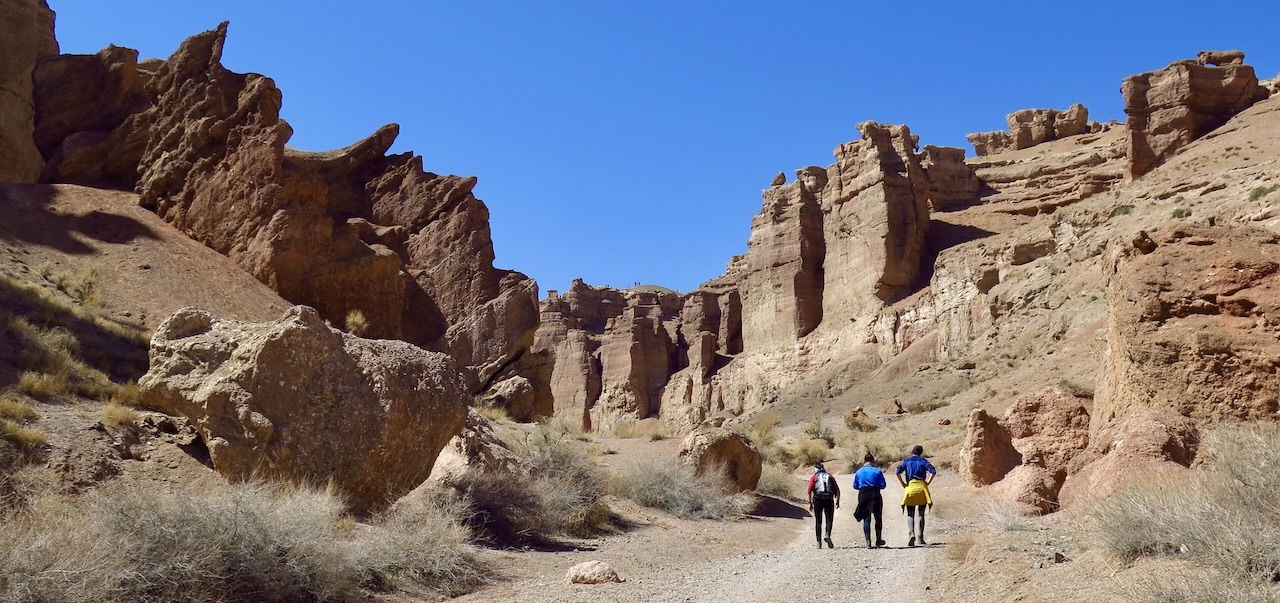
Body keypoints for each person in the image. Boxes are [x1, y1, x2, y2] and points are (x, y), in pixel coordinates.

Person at [895, 444, 936, 547]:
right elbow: (933, 471)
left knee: (910, 513)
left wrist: (903, 484)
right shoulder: (923, 461)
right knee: (921, 514)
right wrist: (928, 482)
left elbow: (897, 472)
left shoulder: (906, 461)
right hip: (922, 488)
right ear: (921, 452)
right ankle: (921, 537)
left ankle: (911, 533)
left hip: (910, 488)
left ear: (912, 451)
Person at [852, 452, 887, 549]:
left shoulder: (859, 472)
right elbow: (883, 485)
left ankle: (868, 541)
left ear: (864, 461)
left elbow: (855, 486)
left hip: (863, 494)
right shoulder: (877, 471)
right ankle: (878, 540)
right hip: (875, 494)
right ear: (872, 460)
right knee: (878, 518)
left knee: (866, 518)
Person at [806, 463, 841, 548]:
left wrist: (810, 503)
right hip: (829, 499)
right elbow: (837, 490)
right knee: (829, 519)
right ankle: (827, 535)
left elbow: (809, 490)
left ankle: (818, 542)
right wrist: (838, 501)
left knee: (818, 521)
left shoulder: (814, 477)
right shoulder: (830, 476)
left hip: (818, 499)